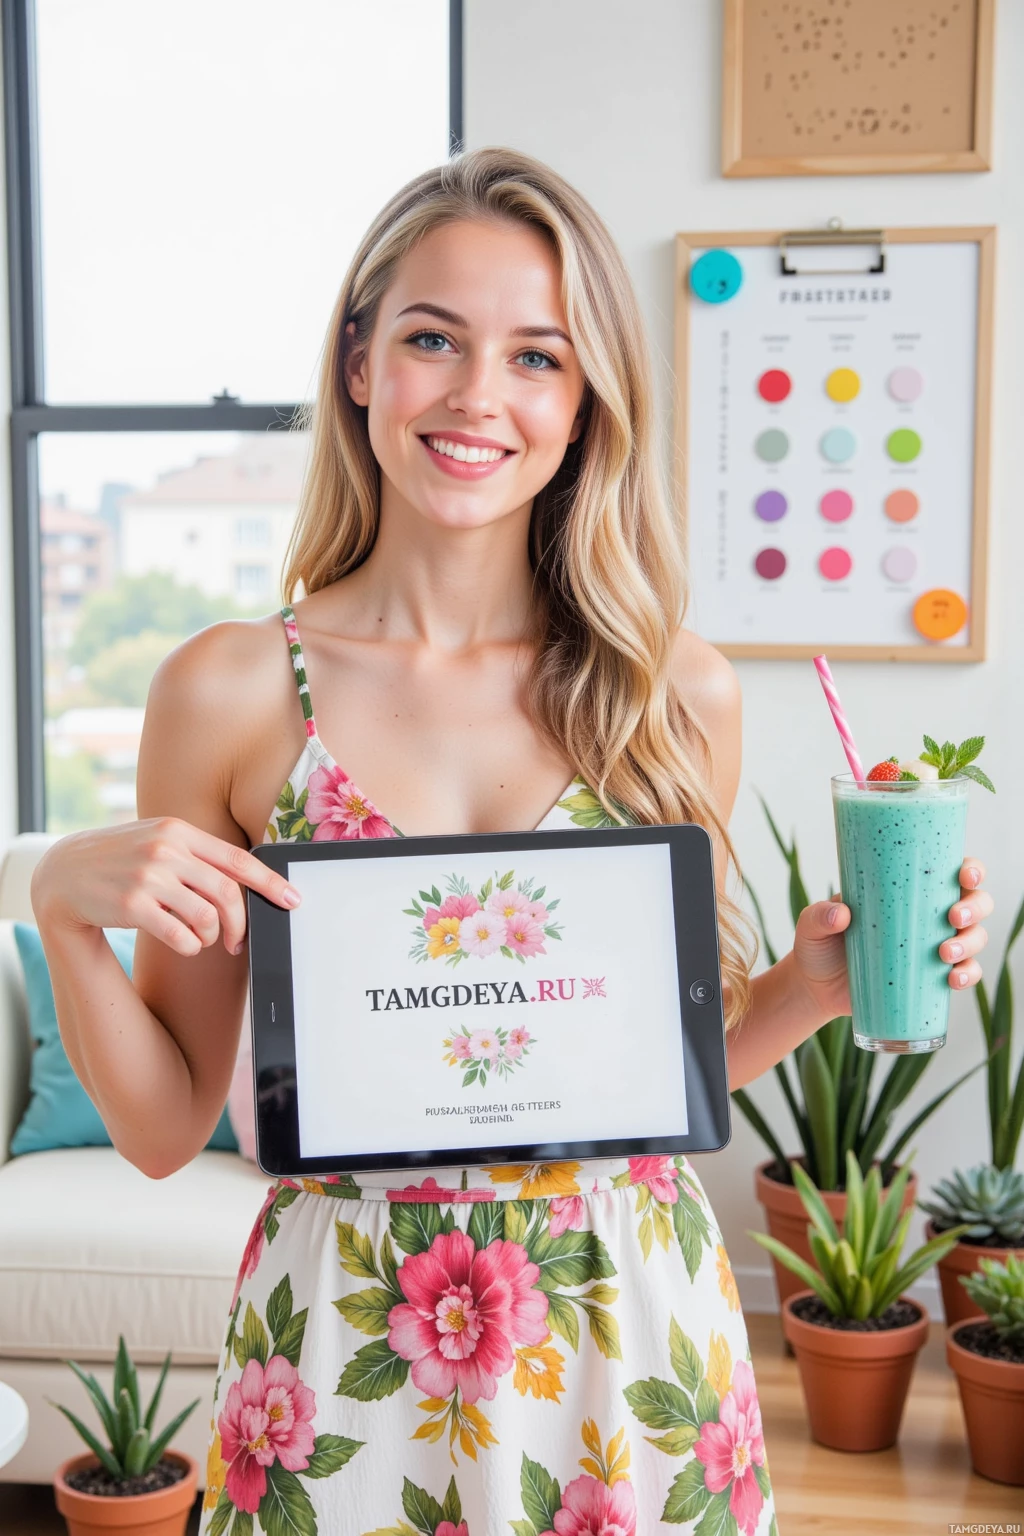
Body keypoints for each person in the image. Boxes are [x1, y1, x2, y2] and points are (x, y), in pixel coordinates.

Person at [31, 149, 992, 1535]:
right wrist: (68, 910)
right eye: (434, 339)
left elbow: (644, 1082)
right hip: (344, 1349)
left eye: (537, 355)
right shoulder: (230, 687)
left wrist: (810, 993)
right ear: (361, 360)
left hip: (627, 1328)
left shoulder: (672, 688)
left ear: (586, 396)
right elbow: (166, 1129)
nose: (480, 394)